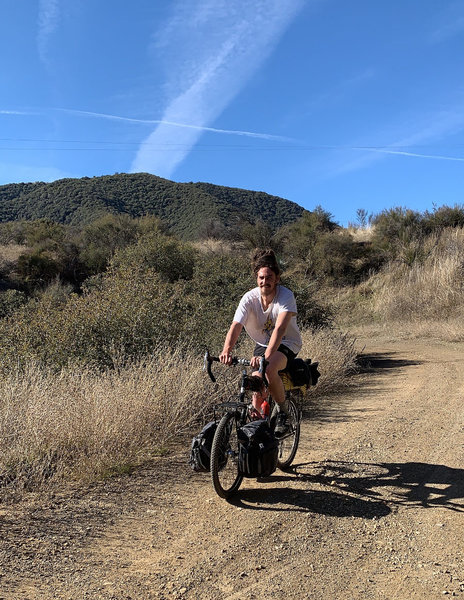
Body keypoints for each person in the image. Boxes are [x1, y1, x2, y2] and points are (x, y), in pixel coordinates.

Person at [219, 249, 302, 436]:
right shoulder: (249, 298)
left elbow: (280, 329)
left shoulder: (286, 296)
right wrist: (226, 350)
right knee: (256, 380)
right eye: (261, 278)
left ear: (277, 278)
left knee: (269, 368)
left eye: (269, 277)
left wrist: (265, 357)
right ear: (257, 279)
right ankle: (258, 426)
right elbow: (236, 325)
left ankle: (283, 412)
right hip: (263, 344)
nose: (265, 281)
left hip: (287, 343)